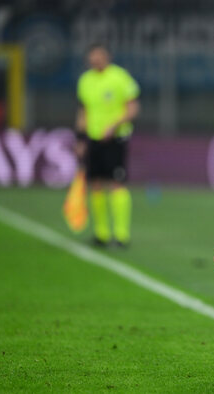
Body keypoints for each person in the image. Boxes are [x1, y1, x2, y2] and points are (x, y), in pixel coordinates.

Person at [75, 44, 140, 247]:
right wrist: (80, 138)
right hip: (94, 139)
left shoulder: (120, 77)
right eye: (92, 56)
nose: (96, 60)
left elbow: (132, 108)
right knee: (94, 183)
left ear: (107, 57)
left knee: (116, 183)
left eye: (99, 56)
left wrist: (115, 125)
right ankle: (101, 234)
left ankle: (121, 235)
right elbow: (84, 111)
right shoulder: (85, 80)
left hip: (115, 139)